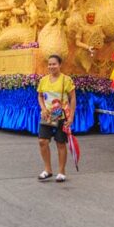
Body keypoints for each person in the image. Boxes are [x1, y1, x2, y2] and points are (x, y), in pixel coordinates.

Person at [37, 55, 76, 183]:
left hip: (61, 116)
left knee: (60, 143)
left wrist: (71, 116)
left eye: (54, 64)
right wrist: (43, 108)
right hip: (48, 116)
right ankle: (47, 170)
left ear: (60, 65)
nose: (51, 66)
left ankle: (61, 172)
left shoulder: (66, 80)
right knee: (42, 141)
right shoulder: (43, 80)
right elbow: (40, 96)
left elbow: (73, 98)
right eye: (49, 64)